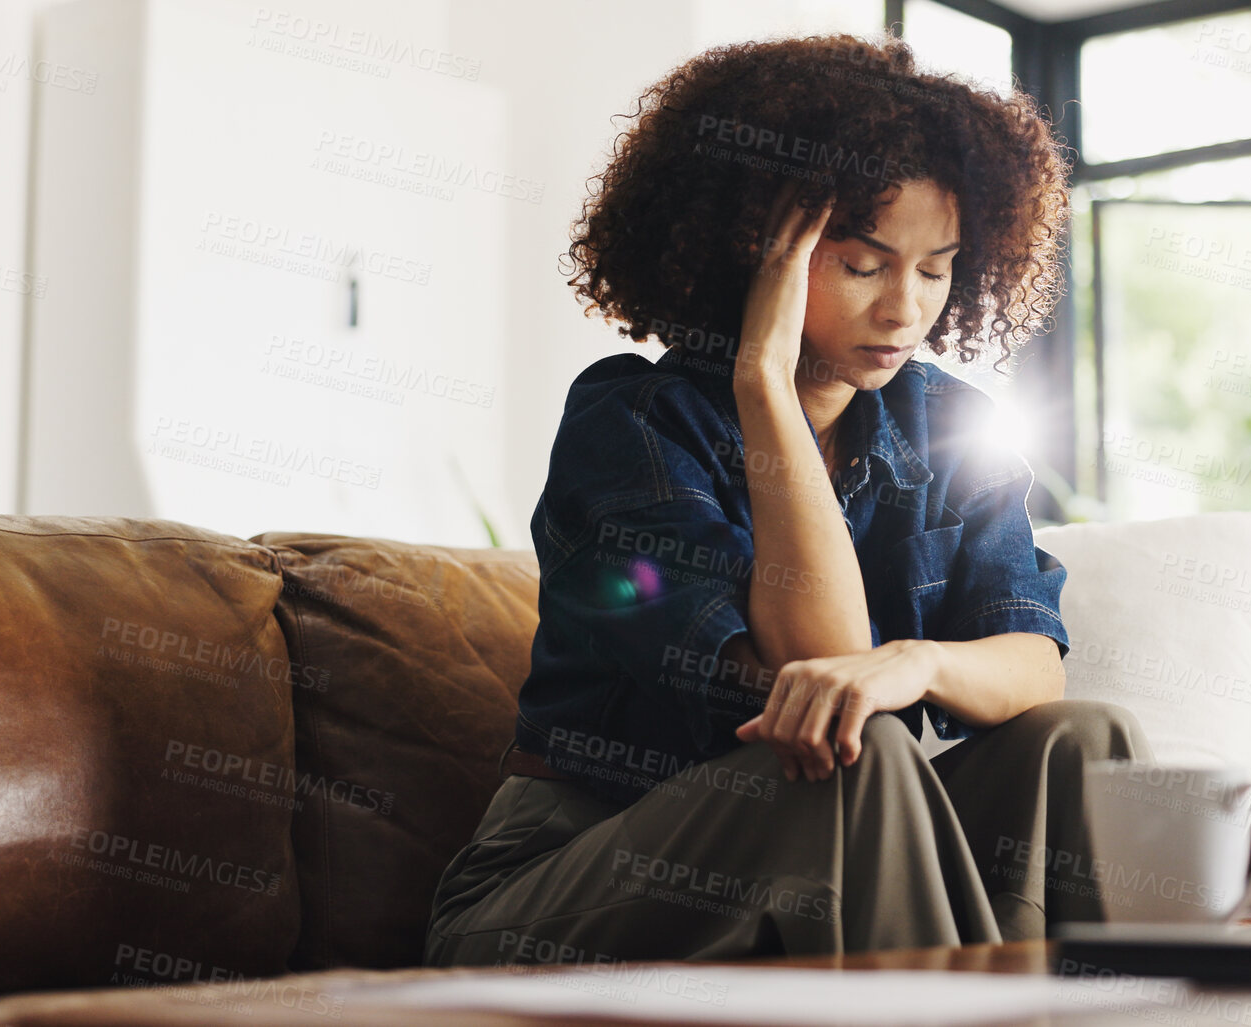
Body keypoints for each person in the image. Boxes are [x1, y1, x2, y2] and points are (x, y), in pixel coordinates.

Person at [425, 31, 1144, 967]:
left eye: (935, 269)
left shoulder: (947, 425)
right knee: (850, 756)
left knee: (1081, 736)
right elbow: (820, 665)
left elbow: (1035, 665)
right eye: (862, 265)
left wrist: (916, 664)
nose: (904, 311)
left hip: (825, 855)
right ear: (755, 249)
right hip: (561, 882)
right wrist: (764, 380)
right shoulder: (632, 422)